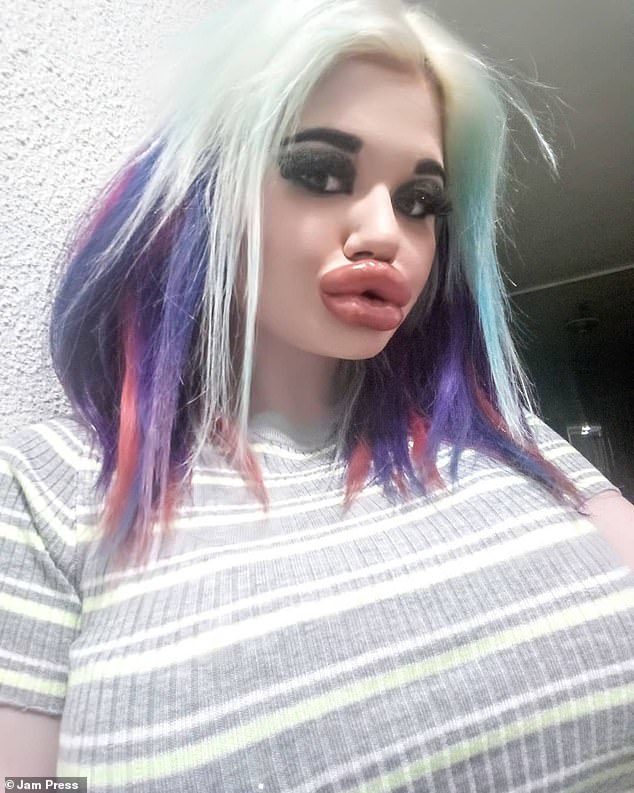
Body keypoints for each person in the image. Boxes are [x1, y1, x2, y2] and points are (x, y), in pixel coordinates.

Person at [1, 0, 633, 789]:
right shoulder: (49, 487)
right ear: (207, 195)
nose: (386, 232)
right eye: (321, 173)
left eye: (420, 201)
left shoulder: (507, 435)